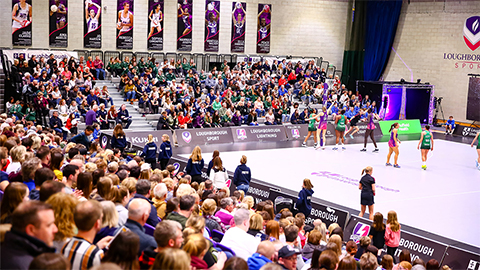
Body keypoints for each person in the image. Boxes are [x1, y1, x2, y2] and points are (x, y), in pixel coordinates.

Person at [1, 201, 57, 270]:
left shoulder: (9, 248)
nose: (55, 229)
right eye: (49, 225)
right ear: (31, 230)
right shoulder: (26, 266)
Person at [62, 200, 113, 270]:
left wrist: (96, 246)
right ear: (97, 223)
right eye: (101, 217)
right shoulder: (96, 255)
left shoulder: (65, 245)